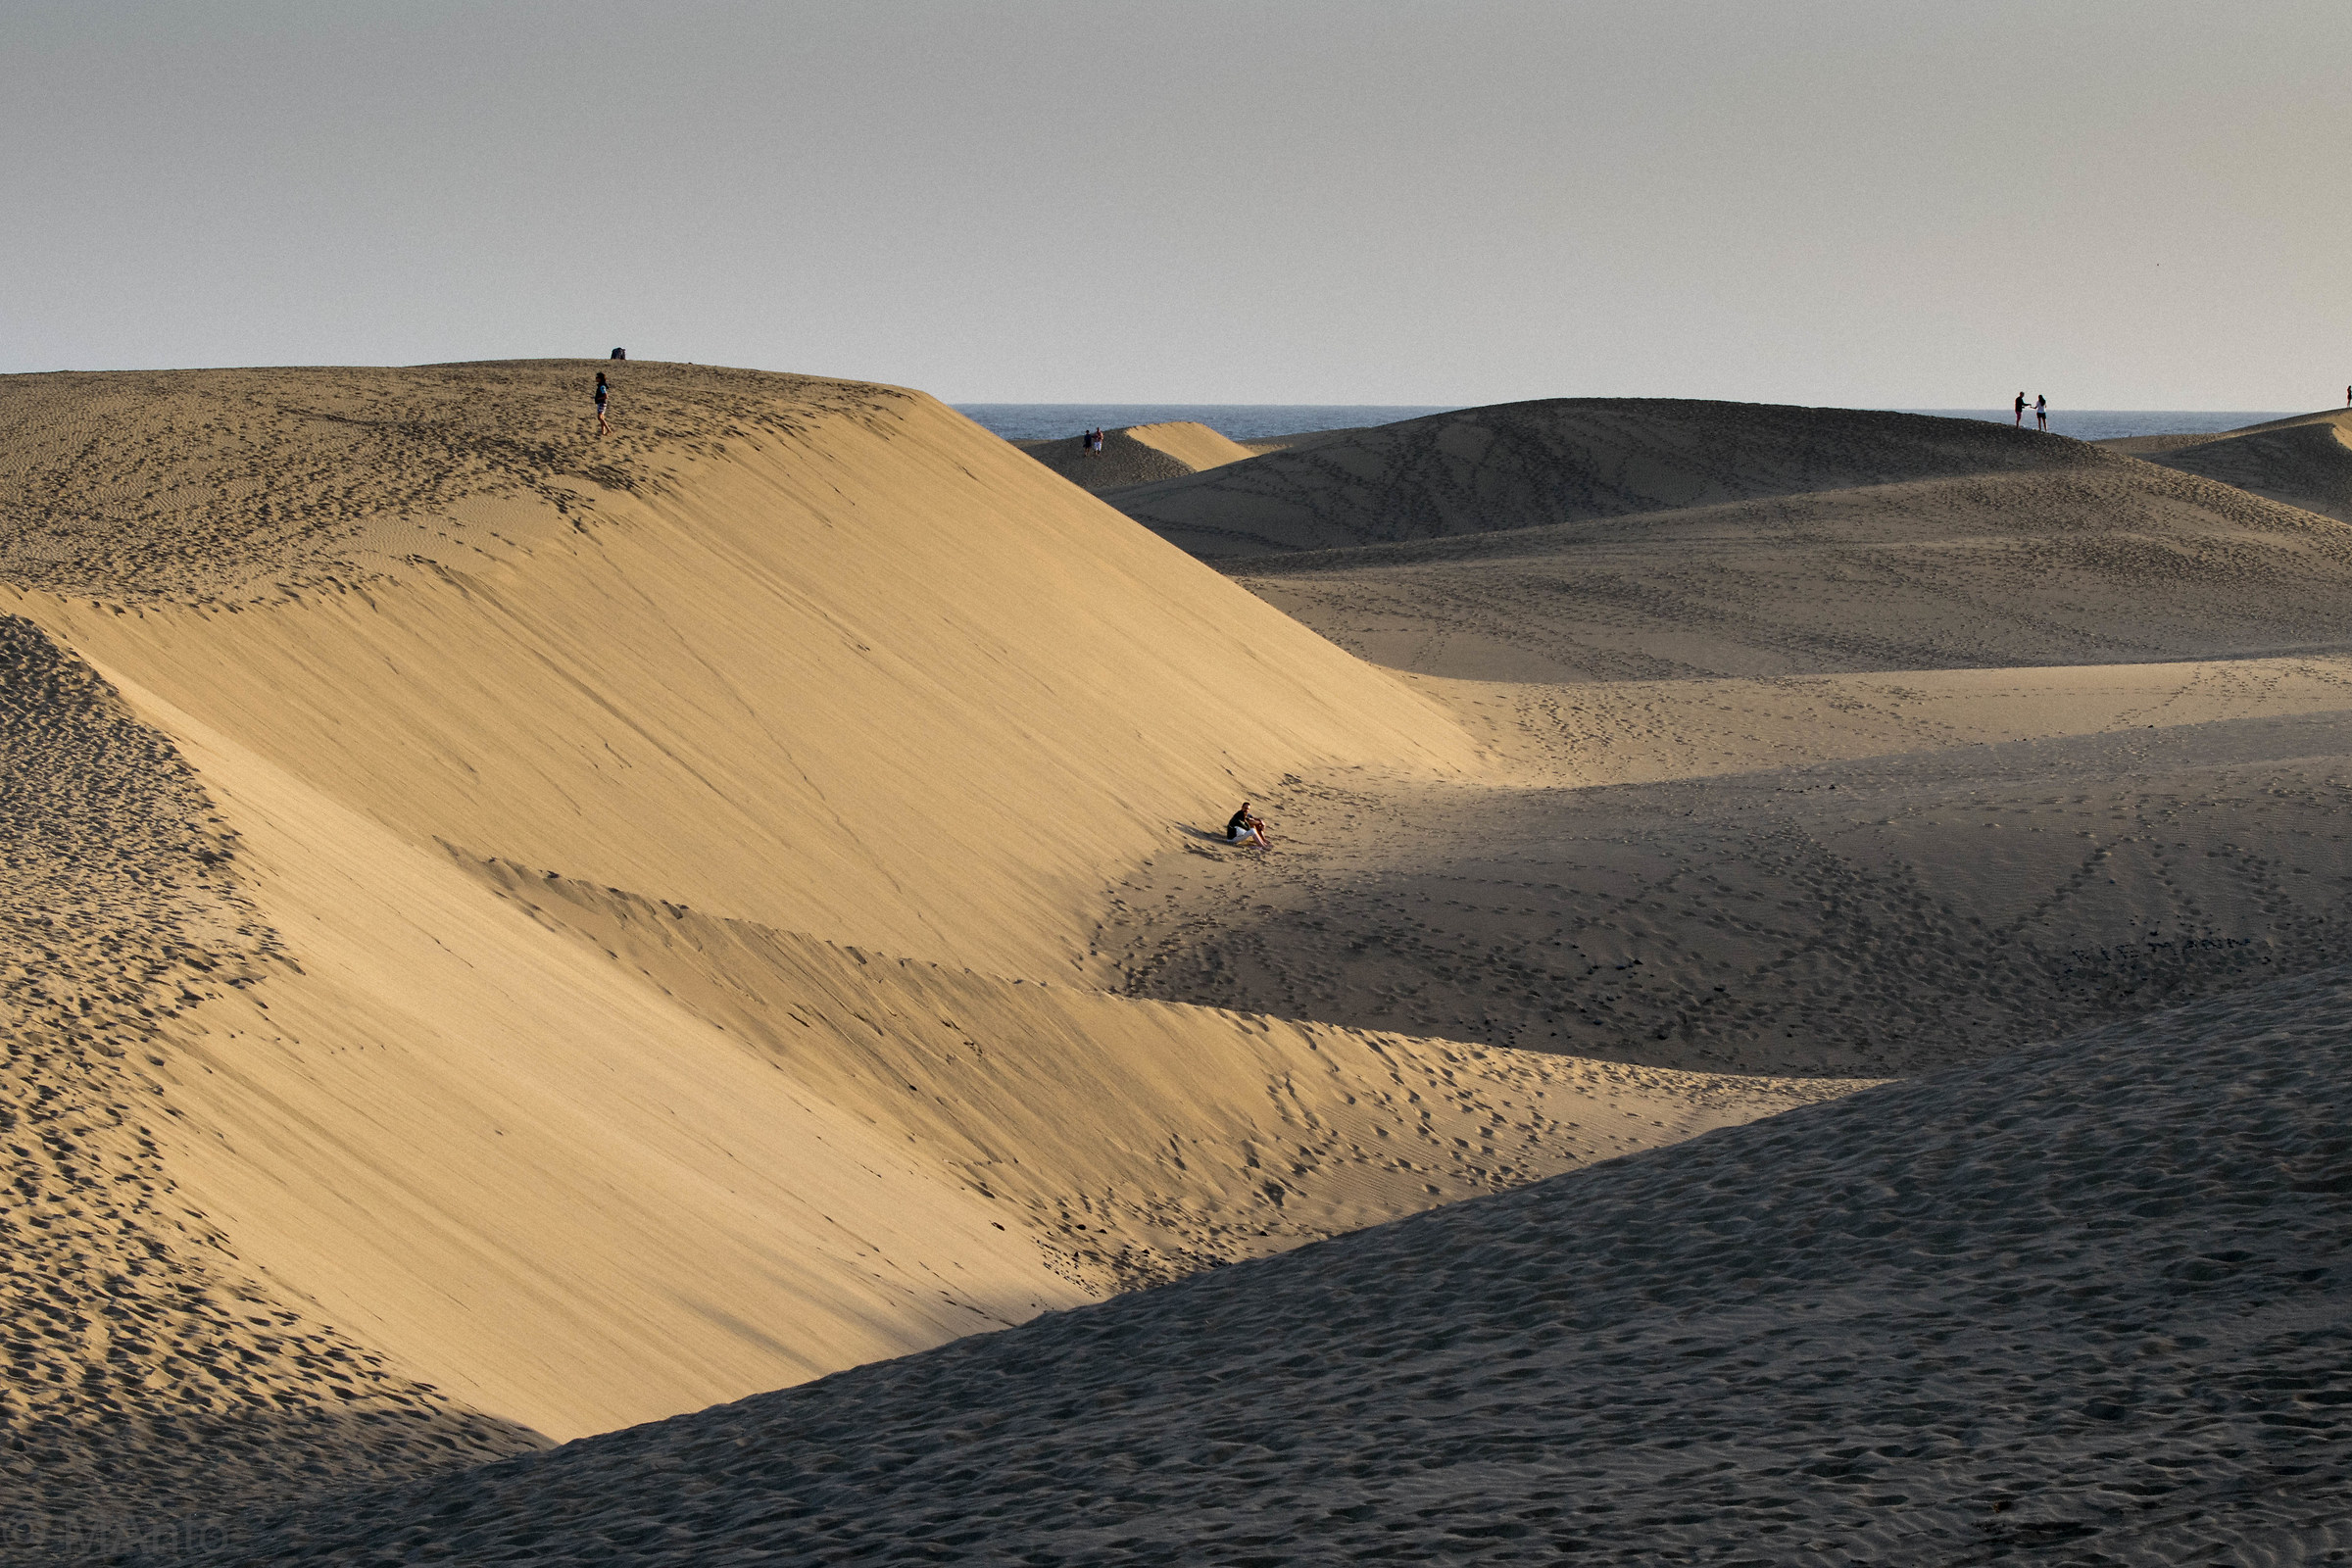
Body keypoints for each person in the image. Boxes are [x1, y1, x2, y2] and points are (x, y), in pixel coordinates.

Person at [595, 371, 611, 438]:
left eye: (597, 377)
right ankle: (603, 432)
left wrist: (599, 398)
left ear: (600, 379)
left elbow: (606, 396)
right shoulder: (601, 385)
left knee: (599, 417)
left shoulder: (602, 386)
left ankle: (608, 430)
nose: (596, 378)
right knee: (601, 418)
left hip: (601, 403)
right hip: (601, 403)